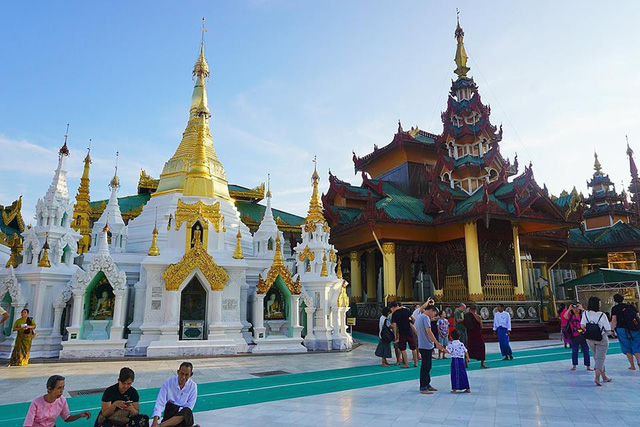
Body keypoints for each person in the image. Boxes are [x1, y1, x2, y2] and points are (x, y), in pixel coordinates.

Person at [24, 375, 91, 426]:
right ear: (50, 389)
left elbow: (66, 418)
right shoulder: (36, 403)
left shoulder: (62, 401)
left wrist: (80, 415)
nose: (61, 391)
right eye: (59, 388)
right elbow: (27, 424)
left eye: (63, 387)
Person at [152, 362, 199, 427]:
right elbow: (160, 402)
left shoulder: (193, 386)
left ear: (191, 374)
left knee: (187, 411)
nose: (183, 377)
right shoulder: (168, 382)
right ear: (178, 372)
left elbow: (190, 406)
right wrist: (155, 421)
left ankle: (161, 426)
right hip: (170, 412)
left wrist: (179, 414)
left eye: (187, 375)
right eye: (182, 374)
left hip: (183, 415)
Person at [414, 304, 446, 395]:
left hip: (423, 344)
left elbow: (415, 327)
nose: (434, 315)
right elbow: (429, 331)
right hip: (426, 345)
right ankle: (423, 386)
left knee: (428, 366)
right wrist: (437, 343)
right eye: (434, 313)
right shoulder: (425, 318)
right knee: (425, 366)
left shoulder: (420, 317)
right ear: (431, 310)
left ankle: (427, 384)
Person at [581, 296, 612, 386]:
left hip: (589, 338)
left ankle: (604, 376)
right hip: (601, 338)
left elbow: (582, 326)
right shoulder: (602, 315)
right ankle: (597, 377)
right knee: (600, 358)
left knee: (596, 357)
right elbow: (607, 329)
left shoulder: (585, 313)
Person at [610, 293, 640, 370]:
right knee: (636, 345)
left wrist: (612, 330)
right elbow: (637, 317)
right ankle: (639, 361)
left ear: (615, 300)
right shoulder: (631, 306)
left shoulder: (614, 308)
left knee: (626, 347)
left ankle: (632, 365)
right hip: (634, 328)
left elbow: (614, 321)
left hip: (621, 329)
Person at [563, 302, 591, 371]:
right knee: (574, 351)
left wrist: (582, 308)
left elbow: (589, 316)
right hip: (574, 336)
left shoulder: (583, 315)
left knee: (586, 351)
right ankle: (574, 365)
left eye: (577, 308)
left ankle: (588, 366)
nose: (576, 310)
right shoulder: (571, 316)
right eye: (574, 308)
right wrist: (569, 309)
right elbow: (565, 316)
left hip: (583, 335)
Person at [390, 302, 418, 368]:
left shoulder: (395, 314)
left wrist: (396, 336)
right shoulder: (406, 310)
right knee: (413, 348)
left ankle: (406, 364)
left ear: (393, 307)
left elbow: (395, 326)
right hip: (409, 331)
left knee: (403, 349)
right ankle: (415, 363)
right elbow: (413, 319)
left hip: (402, 333)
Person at [464, 304, 488, 368]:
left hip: (470, 335)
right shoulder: (478, 317)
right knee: (481, 348)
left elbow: (465, 324)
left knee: (469, 348)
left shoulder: (466, 316)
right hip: (477, 335)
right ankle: (482, 364)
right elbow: (481, 326)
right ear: (475, 310)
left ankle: (466, 362)